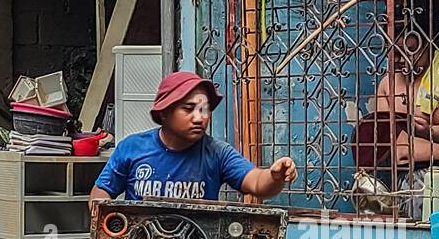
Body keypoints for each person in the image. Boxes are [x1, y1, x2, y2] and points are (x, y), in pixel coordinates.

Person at [90, 71, 297, 203]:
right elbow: (101, 193)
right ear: (164, 113)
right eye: (189, 109)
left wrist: (274, 176)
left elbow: (256, 182)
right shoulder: (132, 148)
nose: (200, 118)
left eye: (204, 109)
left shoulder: (217, 153)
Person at [368, 30, 439, 219]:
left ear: (427, 42)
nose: (401, 59)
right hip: (402, 181)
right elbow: (381, 135)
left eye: (409, 50)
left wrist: (428, 132)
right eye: (394, 53)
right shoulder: (387, 84)